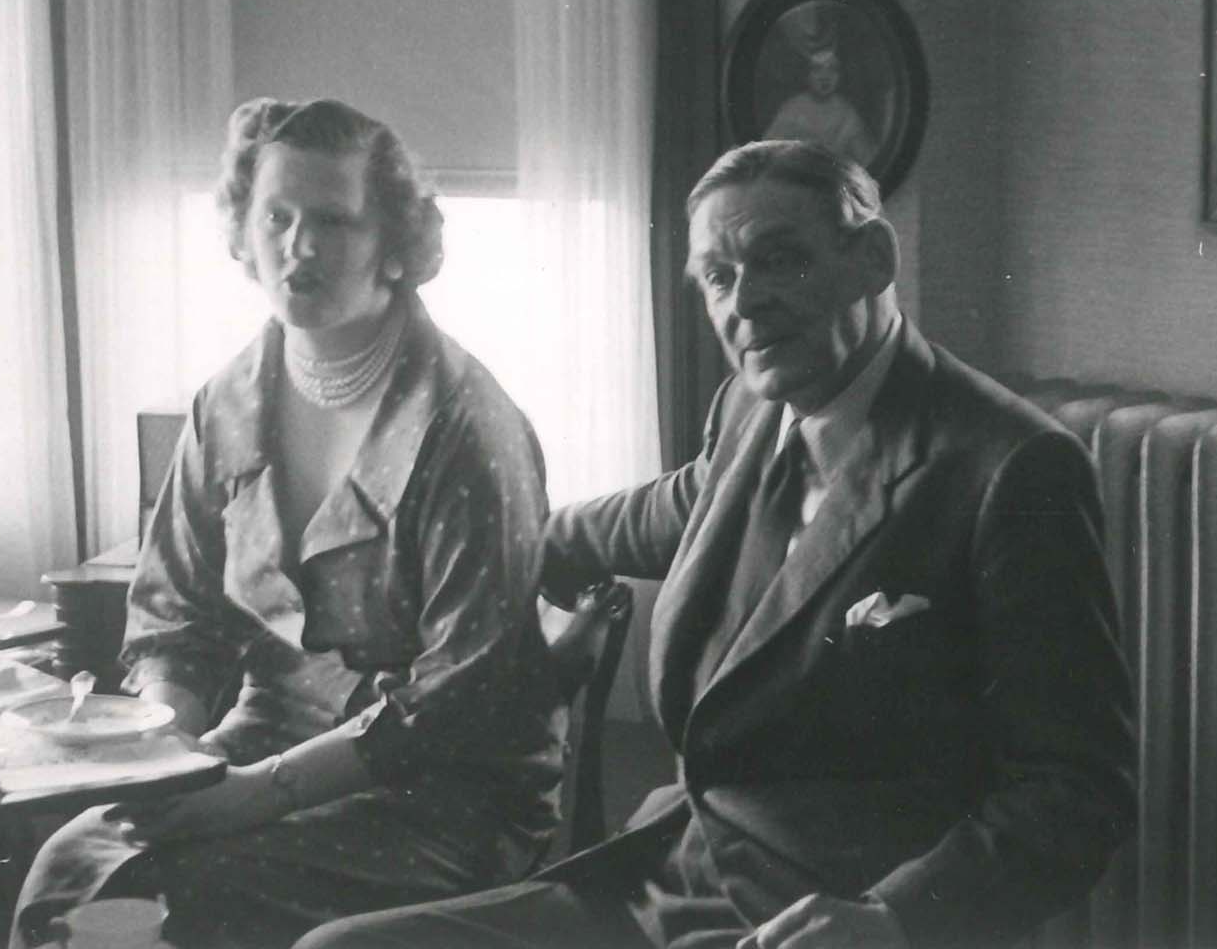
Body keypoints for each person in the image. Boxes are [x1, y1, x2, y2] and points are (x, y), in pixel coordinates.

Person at [297, 140, 1136, 949]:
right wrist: (482, 563)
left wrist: (896, 920)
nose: (745, 303)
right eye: (719, 278)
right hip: (672, 876)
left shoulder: (1011, 468)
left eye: (781, 261)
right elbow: (659, 513)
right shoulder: (752, 407)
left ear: (873, 259)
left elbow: (1076, 792)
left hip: (828, 918)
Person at [12, 98, 564, 949]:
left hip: (443, 791)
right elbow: (174, 619)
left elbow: (459, 700)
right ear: (243, 228)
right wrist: (171, 758)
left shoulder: (466, 425)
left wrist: (253, 794)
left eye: (334, 223)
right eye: (277, 217)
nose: (298, 248)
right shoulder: (227, 401)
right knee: (71, 870)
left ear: (393, 246)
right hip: (257, 740)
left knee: (198, 899)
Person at [763, 46, 878, 169]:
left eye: (832, 69)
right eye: (817, 69)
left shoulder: (847, 112)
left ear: (841, 75)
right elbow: (765, 154)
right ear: (806, 74)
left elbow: (869, 159)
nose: (825, 76)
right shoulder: (792, 109)